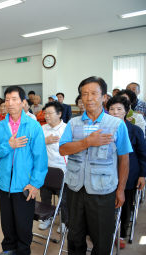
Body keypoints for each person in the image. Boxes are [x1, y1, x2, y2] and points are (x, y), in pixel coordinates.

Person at [59, 76, 133, 254]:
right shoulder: (73, 123)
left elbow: (124, 159)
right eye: (84, 94)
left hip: (103, 191)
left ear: (104, 97)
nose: (89, 98)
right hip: (75, 189)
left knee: (101, 238)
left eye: (94, 93)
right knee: (75, 237)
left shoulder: (116, 125)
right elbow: (63, 149)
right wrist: (87, 142)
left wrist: (121, 189)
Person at [0, 86, 48, 255]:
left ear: (23, 103)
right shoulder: (0, 127)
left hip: (24, 184)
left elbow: (40, 159)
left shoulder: (33, 126)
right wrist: (9, 145)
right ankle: (8, 248)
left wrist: (35, 184)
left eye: (14, 99)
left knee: (23, 223)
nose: (10, 103)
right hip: (5, 182)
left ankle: (22, 251)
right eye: (7, 100)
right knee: (6, 221)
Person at [107, 95, 146, 249]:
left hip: (130, 174)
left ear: (126, 111)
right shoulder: (103, 129)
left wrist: (143, 175)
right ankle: (108, 231)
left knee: (125, 205)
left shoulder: (135, 130)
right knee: (107, 204)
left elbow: (143, 154)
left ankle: (122, 233)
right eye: (111, 109)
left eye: (119, 109)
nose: (115, 112)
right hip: (108, 173)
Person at [38, 101, 68, 233]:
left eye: (50, 113)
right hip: (45, 169)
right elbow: (33, 146)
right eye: (45, 113)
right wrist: (45, 141)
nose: (46, 116)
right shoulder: (42, 128)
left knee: (64, 199)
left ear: (59, 114)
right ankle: (46, 218)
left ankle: (64, 222)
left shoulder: (67, 128)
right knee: (45, 196)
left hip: (62, 170)